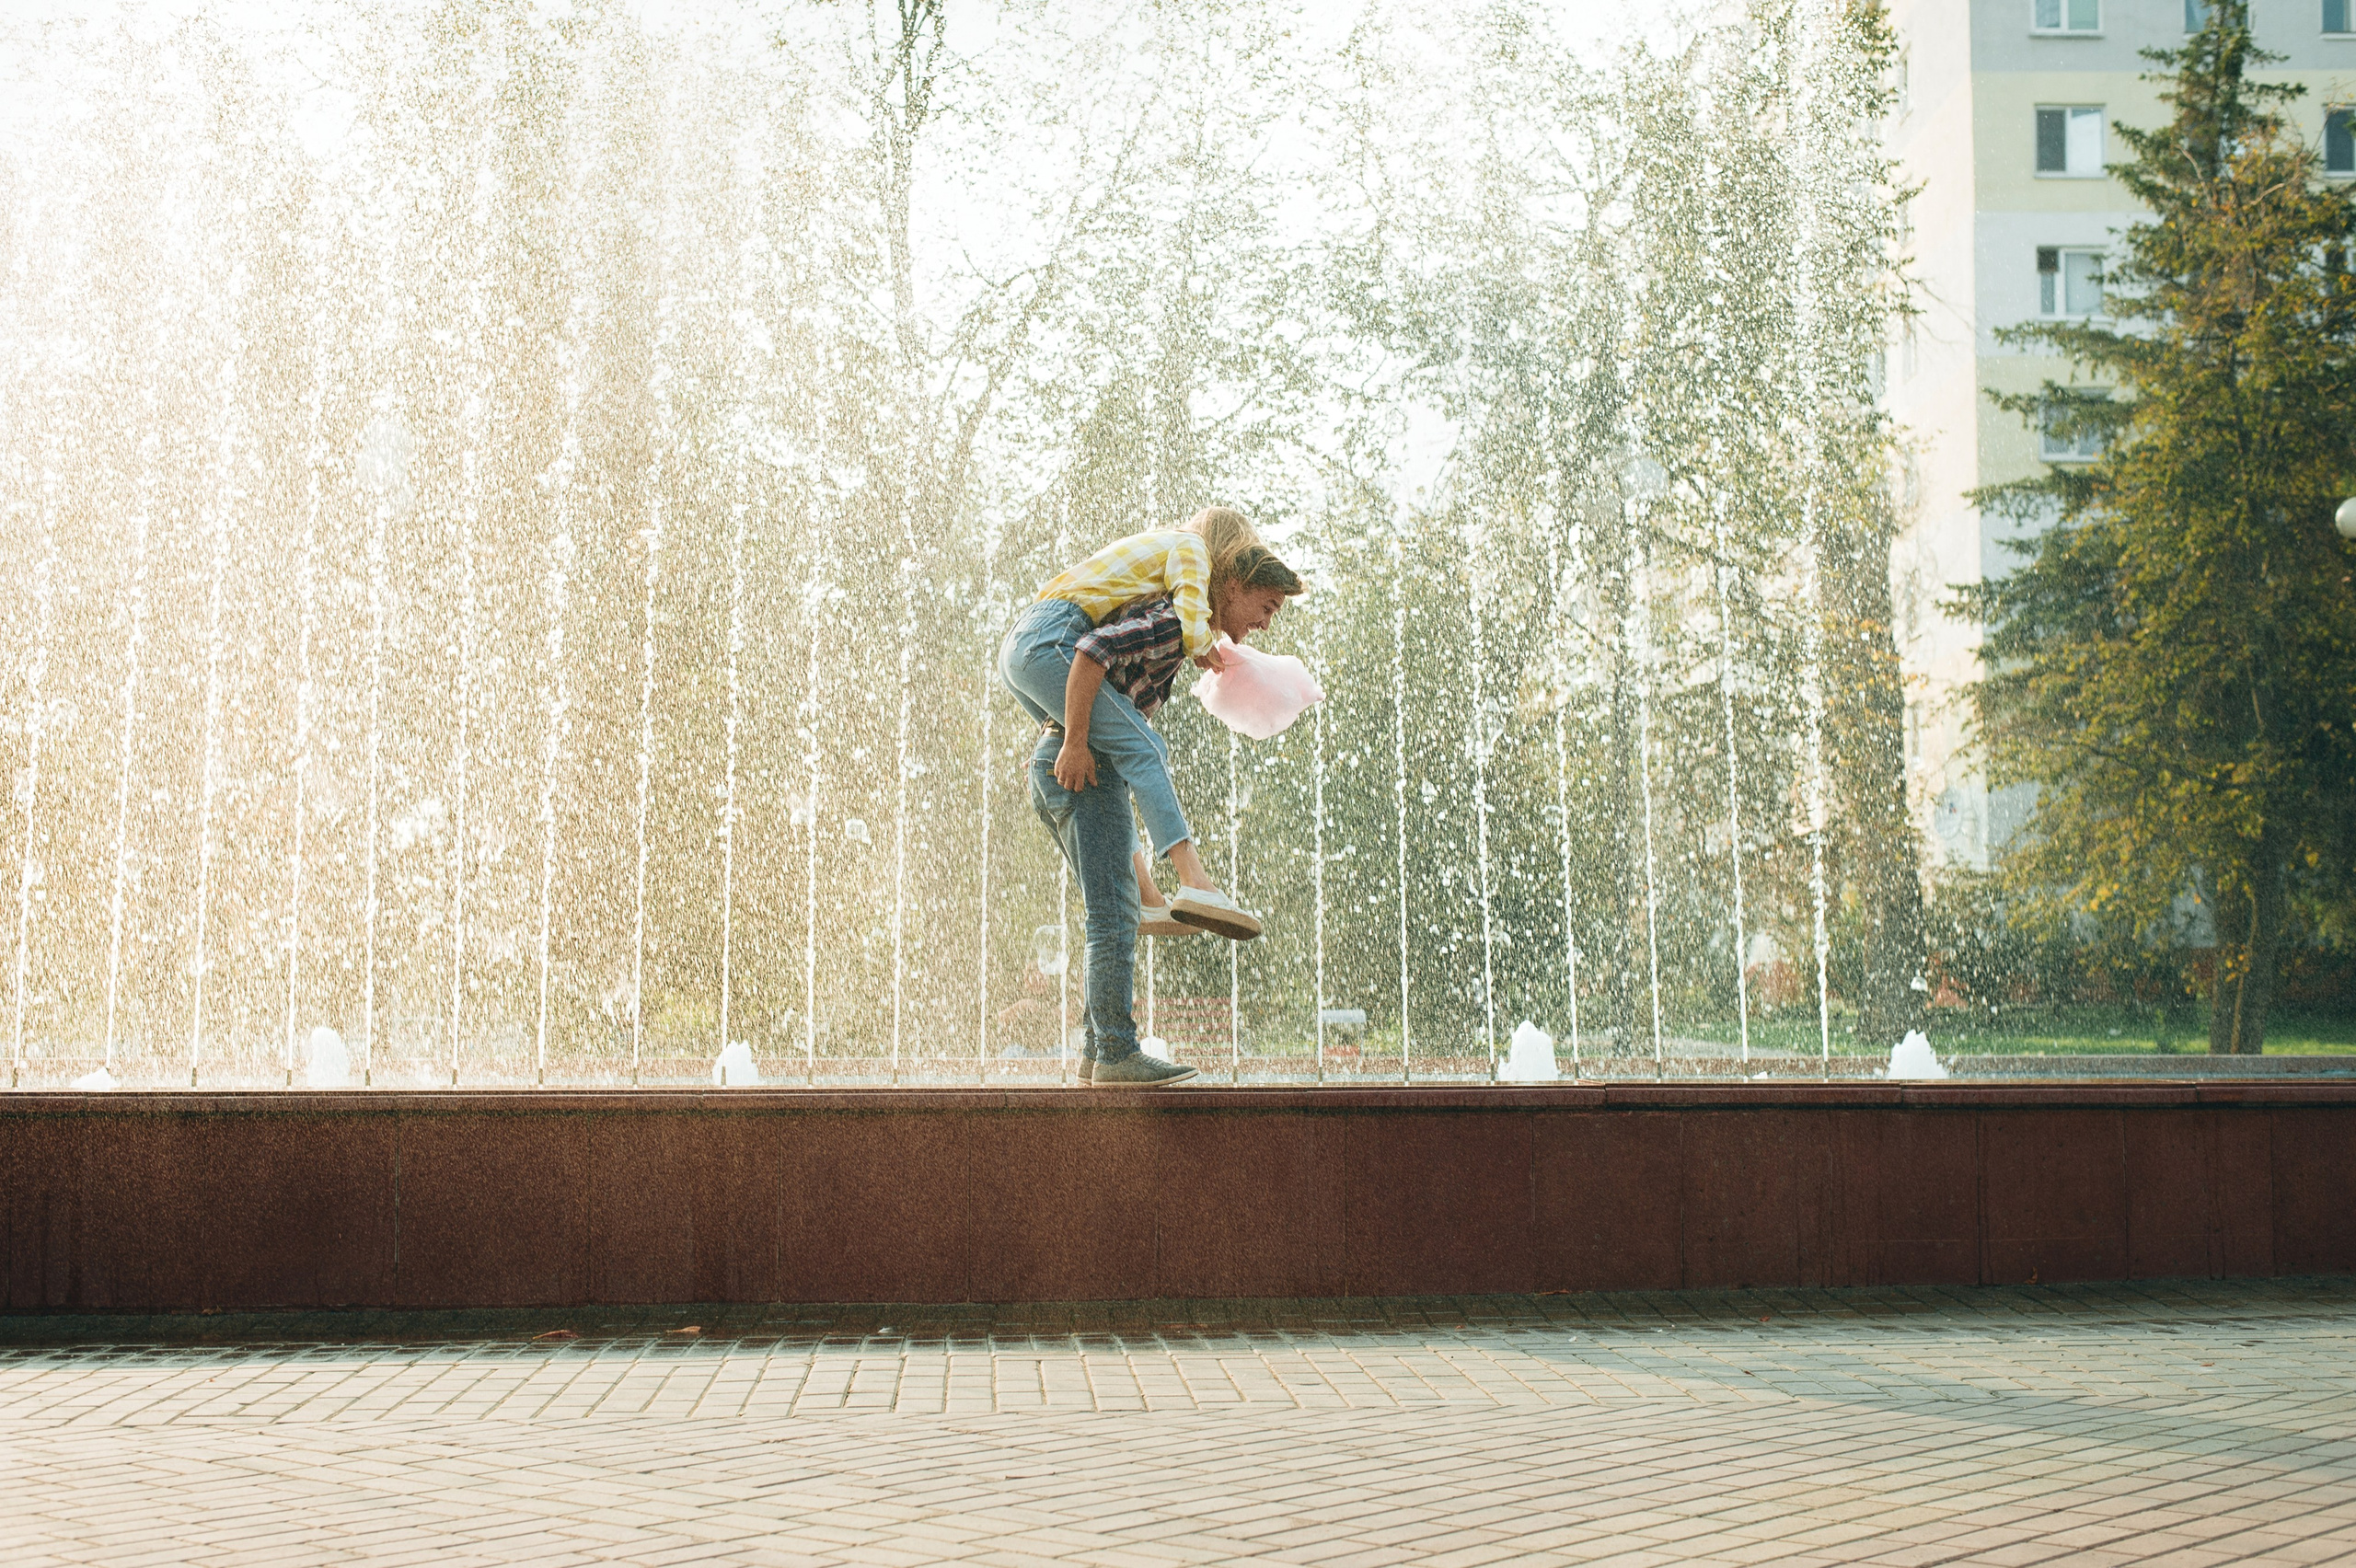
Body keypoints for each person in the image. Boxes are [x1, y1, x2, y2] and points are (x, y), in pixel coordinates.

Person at [999, 506, 1306, 1086]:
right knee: (1146, 754)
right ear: (1231, 584)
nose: (1266, 626)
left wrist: (1069, 740)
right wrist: (1077, 742)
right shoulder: (1173, 608)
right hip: (1047, 660)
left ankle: (1104, 1041)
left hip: (1043, 715)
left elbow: (1103, 691)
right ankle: (1190, 883)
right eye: (1266, 609)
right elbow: (1089, 651)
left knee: (1111, 909)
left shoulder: (1159, 653)